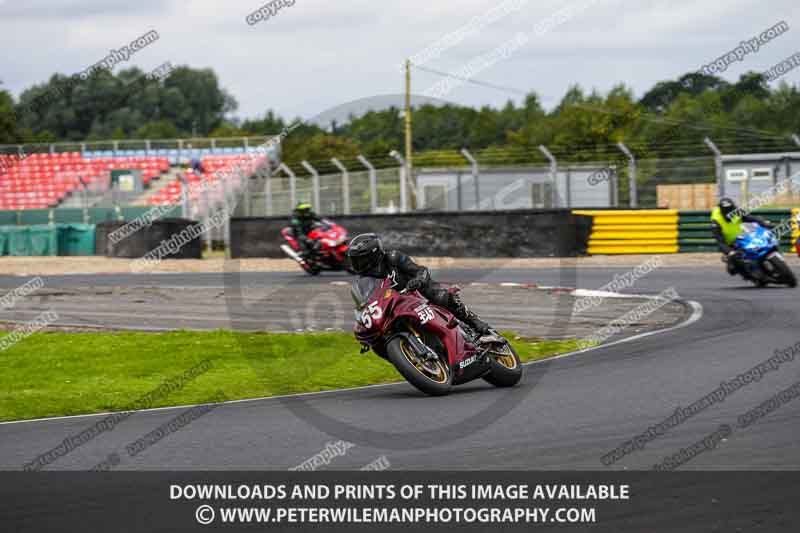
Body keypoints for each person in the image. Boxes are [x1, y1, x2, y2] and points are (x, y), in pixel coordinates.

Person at [346, 233, 492, 337]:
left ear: (374, 254)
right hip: (397, 306)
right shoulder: (365, 280)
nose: (358, 266)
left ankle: (474, 321)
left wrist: (418, 281)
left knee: (440, 296)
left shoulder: (393, 257)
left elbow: (421, 270)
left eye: (361, 260)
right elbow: (366, 302)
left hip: (417, 292)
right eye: (355, 261)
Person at [711, 197, 773, 275]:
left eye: (730, 210)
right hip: (730, 244)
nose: (729, 213)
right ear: (721, 211)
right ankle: (749, 273)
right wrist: (730, 252)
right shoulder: (716, 221)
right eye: (726, 211)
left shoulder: (736, 211)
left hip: (742, 237)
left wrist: (763, 223)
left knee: (758, 242)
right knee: (733, 267)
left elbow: (750, 218)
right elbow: (719, 241)